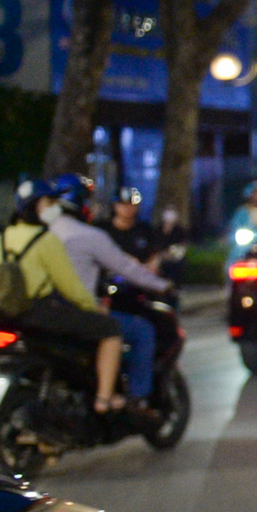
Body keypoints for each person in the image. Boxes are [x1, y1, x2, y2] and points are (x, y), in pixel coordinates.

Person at [45, 175, 173, 408]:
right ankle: (122, 399)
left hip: (42, 311)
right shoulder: (90, 235)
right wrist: (163, 285)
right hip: (76, 312)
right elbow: (125, 267)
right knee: (138, 331)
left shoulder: (39, 233)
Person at [0, 181, 126, 413]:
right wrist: (93, 307)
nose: (55, 207)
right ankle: (104, 399)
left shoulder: (4, 238)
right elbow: (71, 286)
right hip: (40, 314)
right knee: (110, 329)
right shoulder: (46, 240)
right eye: (50, 202)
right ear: (37, 207)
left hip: (7, 316)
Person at [106, 187, 159, 269]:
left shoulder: (145, 230)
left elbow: (153, 255)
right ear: (115, 206)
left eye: (131, 204)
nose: (127, 208)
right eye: (123, 204)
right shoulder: (103, 229)